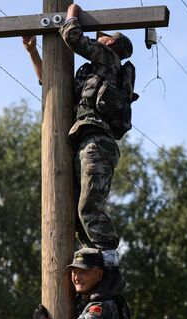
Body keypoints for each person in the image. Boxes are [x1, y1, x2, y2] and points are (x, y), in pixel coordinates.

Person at [22, 3, 136, 297]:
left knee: (89, 208)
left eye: (104, 35)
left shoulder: (109, 59)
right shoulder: (92, 71)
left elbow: (71, 36)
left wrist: (70, 10)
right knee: (75, 215)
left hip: (97, 141)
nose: (99, 36)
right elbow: (50, 83)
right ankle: (91, 273)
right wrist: (33, 51)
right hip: (84, 141)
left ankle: (109, 269)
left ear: (111, 43)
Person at [30, 248, 137, 319]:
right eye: (74, 272)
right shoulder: (79, 301)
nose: (77, 278)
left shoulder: (102, 306)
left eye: (83, 272)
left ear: (99, 274)